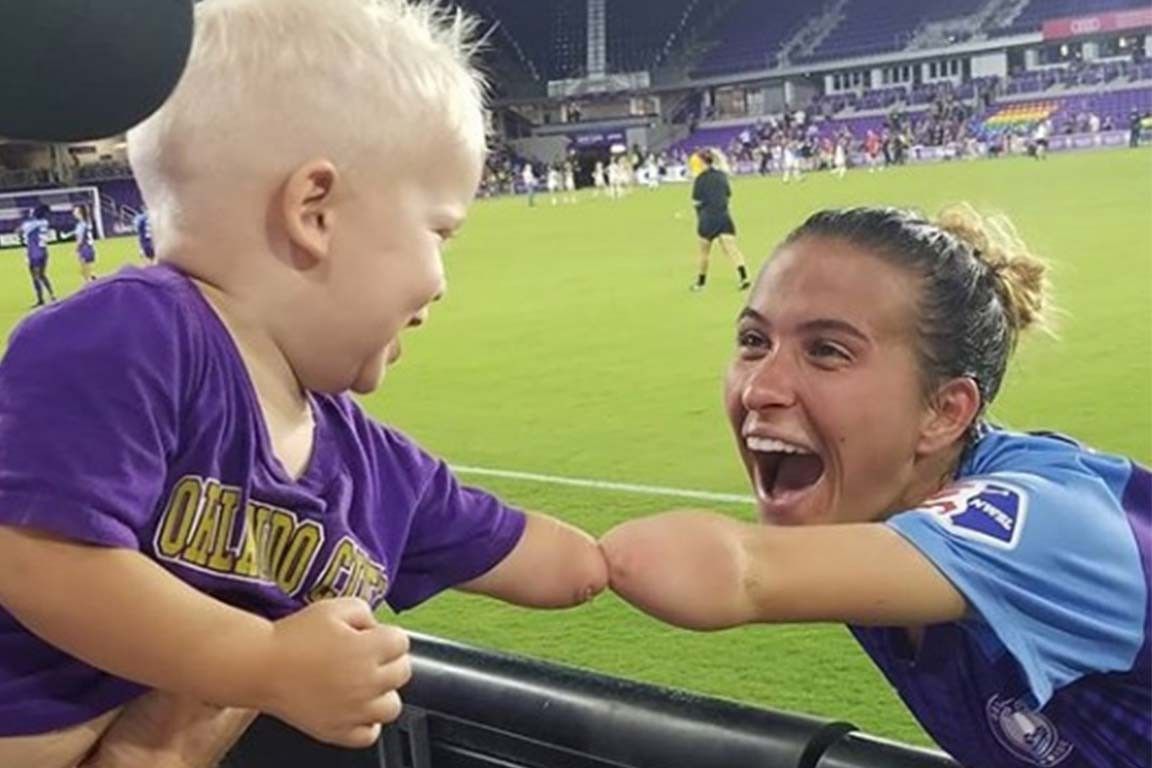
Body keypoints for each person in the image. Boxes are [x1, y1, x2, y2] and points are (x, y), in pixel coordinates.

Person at [0, 1, 607, 766]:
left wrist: (640, 563)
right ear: (314, 209)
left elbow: (533, 552)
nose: (441, 283)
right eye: (440, 231)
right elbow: (35, 557)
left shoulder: (374, 469)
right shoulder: (127, 337)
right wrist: (264, 663)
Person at [602, 205, 1150, 768]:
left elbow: (738, 573)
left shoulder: (1044, 526)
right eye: (752, 340)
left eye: (827, 351)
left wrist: (538, 549)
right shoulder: (866, 505)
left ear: (944, 411)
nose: (760, 388)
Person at [689, 150, 750, 292]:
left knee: (704, 253)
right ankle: (743, 277)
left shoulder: (700, 179)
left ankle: (700, 283)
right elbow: (728, 195)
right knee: (732, 249)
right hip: (723, 217)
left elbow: (696, 201)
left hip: (707, 219)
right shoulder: (722, 176)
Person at [19, 205, 57, 307]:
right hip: (44, 251)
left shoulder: (29, 225)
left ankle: (40, 299)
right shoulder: (44, 223)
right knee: (42, 274)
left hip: (34, 252)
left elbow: (21, 231)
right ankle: (52, 295)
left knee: (35, 276)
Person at [66, 204, 98, 282]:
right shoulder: (87, 223)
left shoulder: (81, 225)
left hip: (84, 248)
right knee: (89, 271)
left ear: (80, 213)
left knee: (85, 273)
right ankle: (93, 280)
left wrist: (76, 250)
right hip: (90, 247)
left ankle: (90, 286)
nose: (74, 213)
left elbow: (80, 240)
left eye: (75, 211)